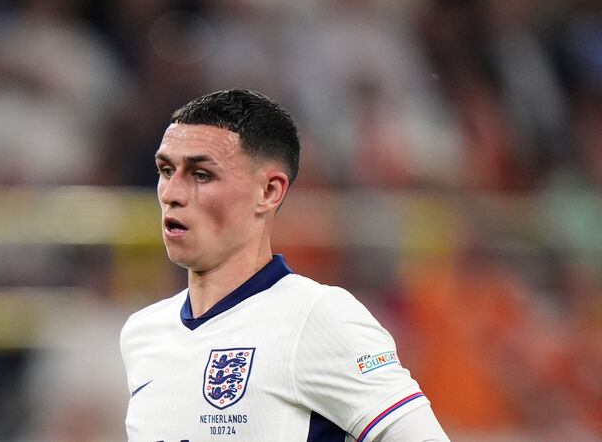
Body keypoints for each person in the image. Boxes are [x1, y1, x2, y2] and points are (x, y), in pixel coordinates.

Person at [120, 89, 449, 441]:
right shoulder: (142, 333)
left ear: (268, 191)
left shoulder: (318, 318)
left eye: (201, 175)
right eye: (166, 170)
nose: (171, 193)